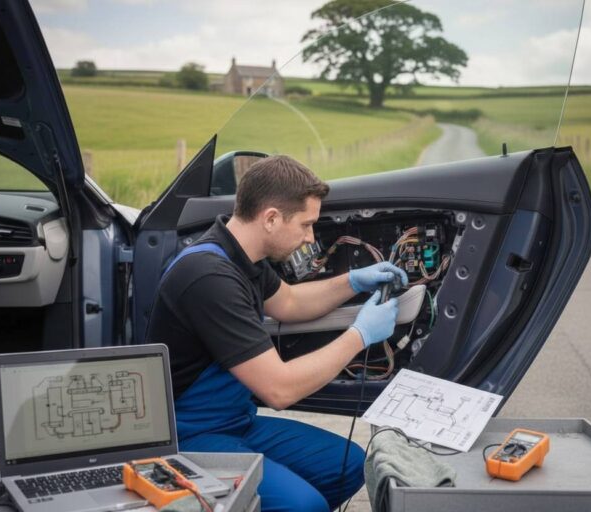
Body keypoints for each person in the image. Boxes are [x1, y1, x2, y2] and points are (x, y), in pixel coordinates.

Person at [145, 155, 407, 512]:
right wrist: (360, 334)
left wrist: (353, 280)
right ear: (270, 218)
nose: (309, 237)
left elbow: (290, 303)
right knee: (305, 505)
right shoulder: (208, 277)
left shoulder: (241, 256)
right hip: (190, 436)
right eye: (305, 224)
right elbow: (279, 389)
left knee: (348, 464)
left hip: (236, 422)